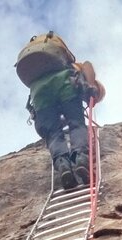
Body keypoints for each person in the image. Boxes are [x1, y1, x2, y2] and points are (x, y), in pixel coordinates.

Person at [16, 32, 105, 189]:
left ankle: (63, 165)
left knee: (53, 134)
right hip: (64, 84)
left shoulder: (51, 67)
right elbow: (88, 65)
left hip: (38, 92)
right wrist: (90, 86)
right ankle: (81, 159)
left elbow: (54, 120)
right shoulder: (76, 68)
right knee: (76, 124)